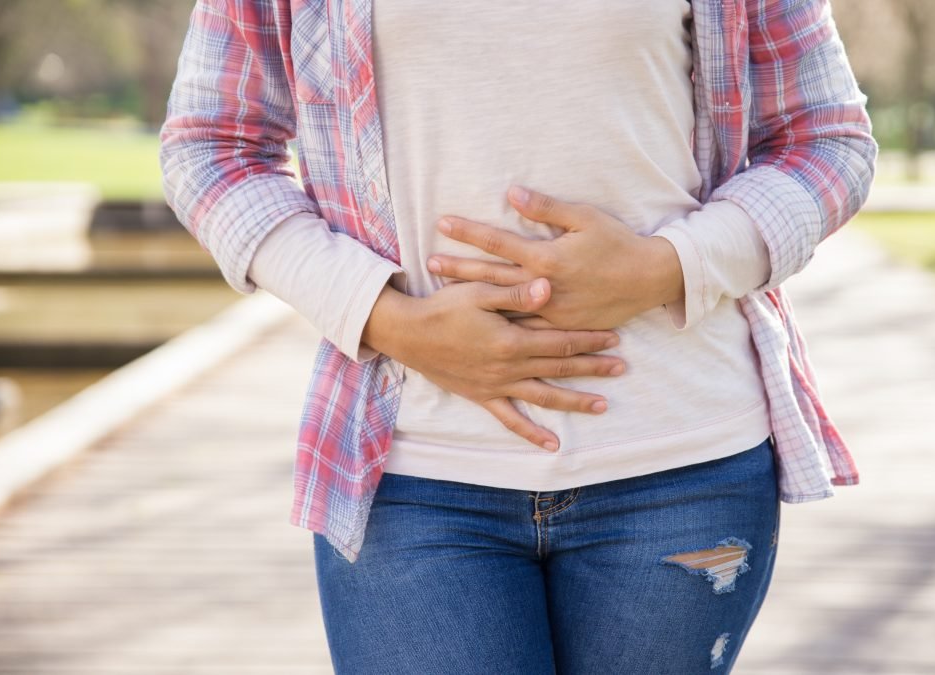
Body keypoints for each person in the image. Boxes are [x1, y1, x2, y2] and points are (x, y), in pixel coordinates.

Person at [159, 0, 876, 672]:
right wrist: (385, 317)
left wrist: (667, 267)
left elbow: (826, 140)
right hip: (412, 471)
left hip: (681, 470)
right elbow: (212, 151)